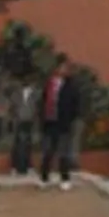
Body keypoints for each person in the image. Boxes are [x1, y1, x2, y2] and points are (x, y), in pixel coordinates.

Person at [39, 54, 81, 190]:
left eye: (67, 67)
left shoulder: (71, 85)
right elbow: (42, 102)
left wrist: (71, 118)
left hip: (64, 123)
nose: (65, 70)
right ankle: (44, 178)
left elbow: (75, 103)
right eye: (63, 67)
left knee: (64, 152)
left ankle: (65, 178)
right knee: (48, 151)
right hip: (49, 121)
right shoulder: (49, 84)